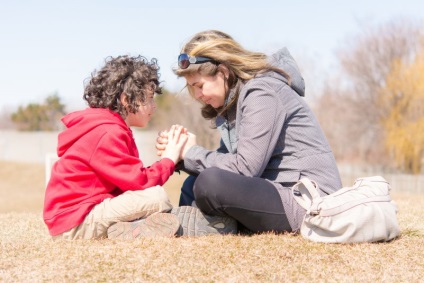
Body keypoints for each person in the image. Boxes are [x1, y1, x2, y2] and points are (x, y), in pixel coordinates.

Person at [156, 30, 342, 234]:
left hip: (309, 201)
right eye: (192, 88)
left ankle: (206, 227)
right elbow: (229, 162)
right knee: (193, 183)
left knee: (209, 183)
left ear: (224, 72)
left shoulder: (262, 92)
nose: (197, 95)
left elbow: (245, 168)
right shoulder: (234, 103)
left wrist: (191, 153)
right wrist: (179, 156)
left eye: (199, 85)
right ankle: (181, 231)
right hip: (279, 190)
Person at [43, 55, 236, 240]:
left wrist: (171, 159)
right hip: (76, 223)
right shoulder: (106, 132)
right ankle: (147, 225)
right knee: (156, 197)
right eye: (149, 98)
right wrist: (169, 158)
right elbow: (140, 182)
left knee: (149, 197)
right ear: (127, 100)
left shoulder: (107, 127)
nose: (154, 106)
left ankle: (139, 226)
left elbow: (129, 181)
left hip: (78, 216)